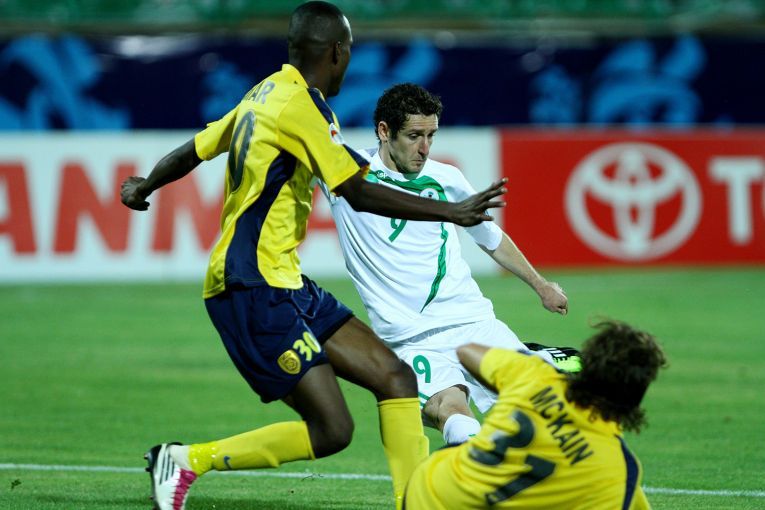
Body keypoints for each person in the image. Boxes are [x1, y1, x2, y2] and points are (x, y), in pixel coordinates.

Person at [120, 3, 506, 510]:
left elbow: (196, 148)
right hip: (250, 285)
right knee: (332, 429)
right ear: (337, 52)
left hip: (286, 282)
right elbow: (357, 191)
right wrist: (450, 212)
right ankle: (186, 459)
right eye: (350, 51)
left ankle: (414, 502)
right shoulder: (302, 107)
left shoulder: (265, 93)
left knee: (396, 378)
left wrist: (145, 185)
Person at [320, 83, 573, 446]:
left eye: (431, 136)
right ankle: (476, 476)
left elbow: (491, 239)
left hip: (474, 322)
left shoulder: (447, 178)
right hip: (411, 340)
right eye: (414, 136)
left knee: (545, 418)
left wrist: (541, 285)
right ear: (384, 131)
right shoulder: (345, 175)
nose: (424, 148)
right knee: (450, 411)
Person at [404, 320, 667, 509]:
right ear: (636, 398)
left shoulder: (536, 374)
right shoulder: (618, 468)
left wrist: (533, 361)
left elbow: (466, 351)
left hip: (429, 487)